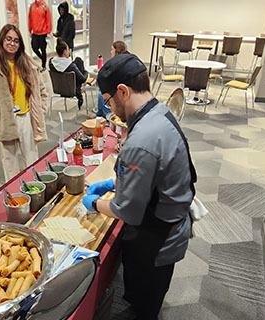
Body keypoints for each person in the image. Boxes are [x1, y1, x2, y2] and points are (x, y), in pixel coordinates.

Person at [82, 54, 197, 320]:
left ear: (123, 91)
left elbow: (128, 212)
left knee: (145, 304)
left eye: (108, 100)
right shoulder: (160, 111)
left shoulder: (140, 140)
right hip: (171, 219)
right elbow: (157, 171)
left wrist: (94, 203)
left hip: (158, 238)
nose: (109, 109)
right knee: (148, 293)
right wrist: (114, 182)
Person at [0, 24, 48, 181]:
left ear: (20, 43)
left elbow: (42, 91)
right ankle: (16, 196)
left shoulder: (28, 63)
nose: (12, 44)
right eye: (8, 39)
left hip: (27, 117)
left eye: (16, 41)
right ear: (2, 40)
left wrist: (40, 110)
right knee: (9, 163)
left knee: (31, 159)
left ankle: (33, 191)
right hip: (5, 118)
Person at [49, 38, 88, 110]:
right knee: (79, 61)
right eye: (67, 50)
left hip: (59, 88)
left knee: (77, 60)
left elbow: (61, 67)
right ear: (64, 52)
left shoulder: (51, 62)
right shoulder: (71, 66)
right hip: (72, 89)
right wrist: (86, 71)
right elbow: (83, 79)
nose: (68, 52)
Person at [96, 40, 130, 118]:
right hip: (126, 86)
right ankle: (100, 115)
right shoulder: (128, 57)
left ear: (116, 50)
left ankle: (107, 117)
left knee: (102, 94)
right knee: (101, 91)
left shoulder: (118, 62)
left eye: (112, 49)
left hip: (123, 88)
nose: (111, 52)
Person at [28, 0, 52, 71]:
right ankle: (42, 58)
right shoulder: (32, 6)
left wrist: (48, 32)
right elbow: (30, 19)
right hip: (35, 33)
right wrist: (30, 30)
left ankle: (43, 65)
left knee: (43, 49)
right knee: (34, 47)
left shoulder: (45, 7)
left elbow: (48, 20)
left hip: (43, 34)